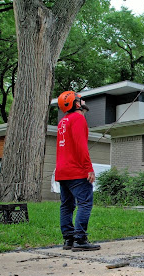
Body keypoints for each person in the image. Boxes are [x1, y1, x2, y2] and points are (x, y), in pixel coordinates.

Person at [55, 91, 100, 251]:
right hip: (76, 170)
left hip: (62, 171)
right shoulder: (78, 118)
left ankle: (68, 239)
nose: (83, 100)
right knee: (85, 203)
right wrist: (89, 168)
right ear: (76, 104)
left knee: (66, 205)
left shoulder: (63, 122)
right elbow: (81, 146)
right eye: (80, 99)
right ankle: (80, 239)